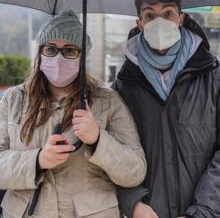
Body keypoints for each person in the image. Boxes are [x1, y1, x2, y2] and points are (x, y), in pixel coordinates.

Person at [0, 11, 147, 218]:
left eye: (70, 51)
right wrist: (37, 160)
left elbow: (135, 171)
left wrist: (98, 140)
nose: (58, 58)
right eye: (51, 49)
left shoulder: (108, 101)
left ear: (82, 56)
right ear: (40, 53)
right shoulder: (14, 99)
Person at [114, 0, 220, 218]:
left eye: (168, 13)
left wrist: (202, 211)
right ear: (140, 24)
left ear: (180, 18)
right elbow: (115, 154)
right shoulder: (124, 84)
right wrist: (132, 202)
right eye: (150, 15)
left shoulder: (212, 77)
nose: (159, 22)